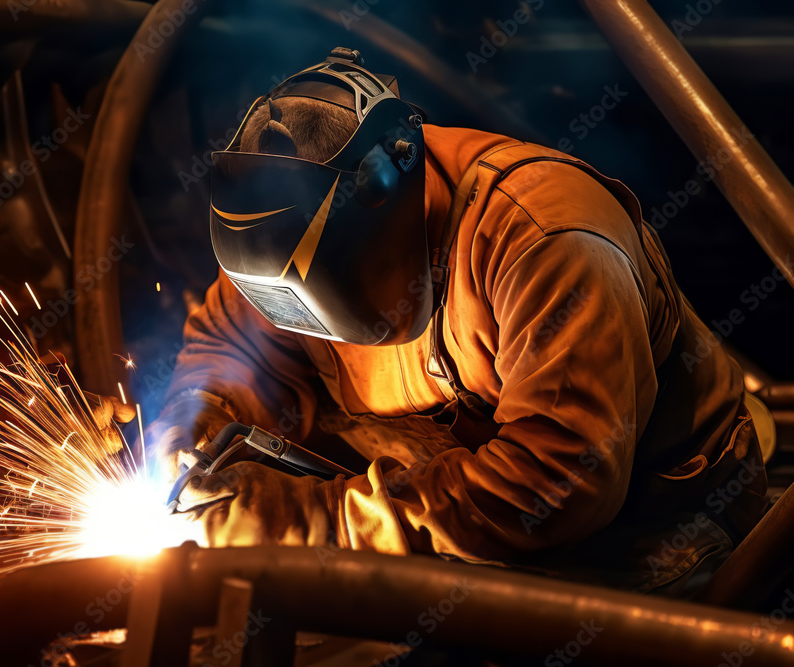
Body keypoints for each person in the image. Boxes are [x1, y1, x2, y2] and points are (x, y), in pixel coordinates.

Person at [146, 48, 770, 595]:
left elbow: (554, 487)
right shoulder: (279, 232)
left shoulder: (545, 239)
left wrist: (307, 522)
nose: (298, 322)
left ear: (389, 195)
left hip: (649, 525)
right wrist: (201, 418)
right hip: (442, 506)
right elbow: (232, 345)